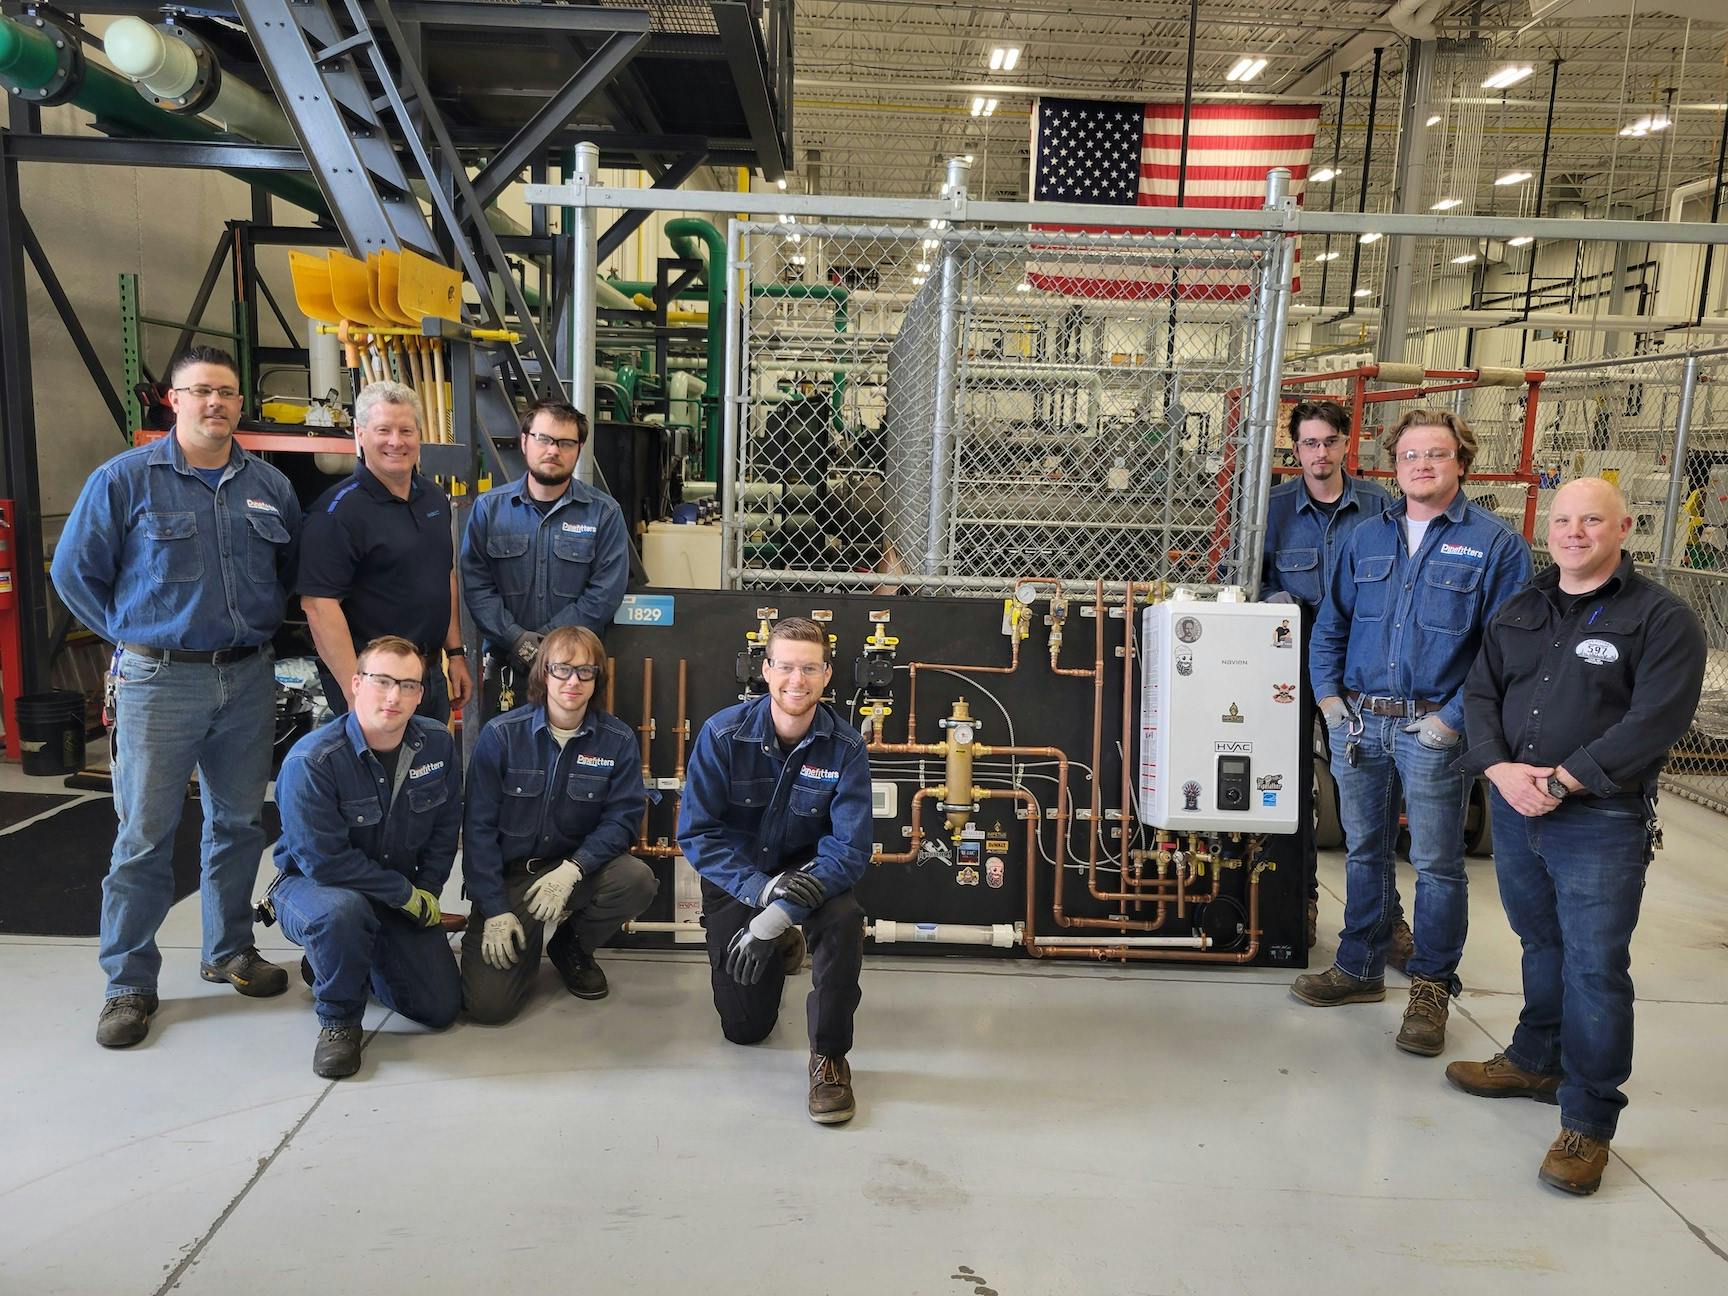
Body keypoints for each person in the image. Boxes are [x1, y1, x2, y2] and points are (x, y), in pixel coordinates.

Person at [1451, 477, 1704, 1195]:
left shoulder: (1662, 620)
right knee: (1541, 943)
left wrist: (1561, 782)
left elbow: (1654, 722)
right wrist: (1500, 770)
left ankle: (1588, 1121)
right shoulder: (1522, 606)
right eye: (1563, 519)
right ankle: (1536, 1057)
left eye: (1591, 519)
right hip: (1514, 804)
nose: (1574, 532)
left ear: (1623, 527)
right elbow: (1480, 692)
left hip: (1598, 818)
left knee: (1595, 967)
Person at [51, 345, 300, 1048]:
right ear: (174, 400)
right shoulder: (124, 481)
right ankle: (128, 981)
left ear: (239, 404)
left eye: (225, 392)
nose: (214, 403)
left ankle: (227, 952)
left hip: (248, 676)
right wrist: (132, 638)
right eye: (200, 392)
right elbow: (73, 575)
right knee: (143, 837)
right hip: (158, 682)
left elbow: (286, 571)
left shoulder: (270, 488)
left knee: (240, 822)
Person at [1294, 408, 1530, 1056]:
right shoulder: (1366, 539)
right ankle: (1361, 967)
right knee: (1363, 851)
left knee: (1436, 865)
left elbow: (1501, 651)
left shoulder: (1496, 545)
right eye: (1409, 455)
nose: (1421, 466)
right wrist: (1330, 702)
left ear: (1462, 462)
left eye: (1436, 454)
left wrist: (1452, 721)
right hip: (1359, 727)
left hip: (1434, 729)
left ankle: (1430, 989)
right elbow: (1331, 627)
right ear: (1392, 465)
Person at [677, 617, 872, 1124]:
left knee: (844, 917)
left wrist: (776, 914)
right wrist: (761, 892)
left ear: (827, 675)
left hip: (812, 877)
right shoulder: (722, 734)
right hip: (741, 875)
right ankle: (786, 945)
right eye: (784, 666)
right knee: (745, 1028)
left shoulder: (846, 748)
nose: (796, 680)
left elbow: (849, 851)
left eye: (809, 668)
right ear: (765, 670)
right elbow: (697, 834)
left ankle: (830, 1057)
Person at [268, 636, 464, 1078]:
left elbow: (444, 828)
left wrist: (426, 894)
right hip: (314, 889)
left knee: (439, 1008)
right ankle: (338, 1022)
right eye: (382, 681)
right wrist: (403, 894)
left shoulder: (436, 745)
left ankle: (343, 959)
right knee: (342, 913)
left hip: (395, 890)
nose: (394, 696)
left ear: (421, 693)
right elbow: (324, 861)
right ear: (356, 684)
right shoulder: (313, 761)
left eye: (409, 685)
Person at [459, 625, 657, 1023]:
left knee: (636, 879)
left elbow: (622, 821)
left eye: (586, 671)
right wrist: (496, 908)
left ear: (597, 678)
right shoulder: (501, 736)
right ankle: (522, 943)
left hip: (574, 871)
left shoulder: (616, 741)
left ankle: (571, 946)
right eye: (562, 669)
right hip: (511, 881)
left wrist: (574, 868)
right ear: (543, 673)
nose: (573, 681)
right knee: (489, 1008)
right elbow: (478, 830)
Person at [1259, 398, 1398, 954]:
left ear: (1347, 443)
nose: (1320, 453)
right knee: (1290, 785)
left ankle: (1385, 914)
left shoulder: (1379, 507)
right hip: (1291, 668)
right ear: (1296, 449)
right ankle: (1304, 897)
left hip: (1362, 669)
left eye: (1329, 442)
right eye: (1309, 443)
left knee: (1368, 790)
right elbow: (1252, 574)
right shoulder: (1273, 508)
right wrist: (1276, 598)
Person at [298, 381, 472, 723]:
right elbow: (318, 606)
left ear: (419, 435)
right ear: (360, 434)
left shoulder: (433, 498)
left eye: (406, 430)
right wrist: (356, 692)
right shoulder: (336, 513)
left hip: (428, 673)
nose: (396, 441)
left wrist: (455, 654)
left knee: (428, 772)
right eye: (384, 430)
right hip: (375, 682)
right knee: (375, 776)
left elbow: (444, 574)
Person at [460, 401, 629, 716]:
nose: (553, 450)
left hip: (575, 674)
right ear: (525, 441)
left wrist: (551, 648)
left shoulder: (604, 513)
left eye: (566, 443)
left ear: (578, 449)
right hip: (507, 666)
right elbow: (477, 587)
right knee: (503, 758)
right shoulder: (489, 510)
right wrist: (518, 641)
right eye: (544, 439)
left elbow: (605, 593)